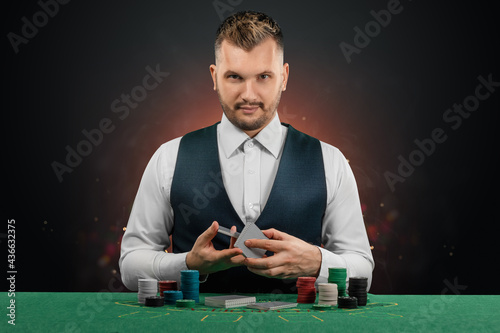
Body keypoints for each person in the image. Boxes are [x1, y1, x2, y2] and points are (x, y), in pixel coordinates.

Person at [119, 10, 374, 293]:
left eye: (264, 76)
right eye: (235, 77)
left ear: (284, 77)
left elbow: (362, 267)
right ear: (215, 77)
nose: (249, 94)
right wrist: (187, 264)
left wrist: (316, 262)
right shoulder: (169, 158)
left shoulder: (331, 161)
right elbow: (130, 265)